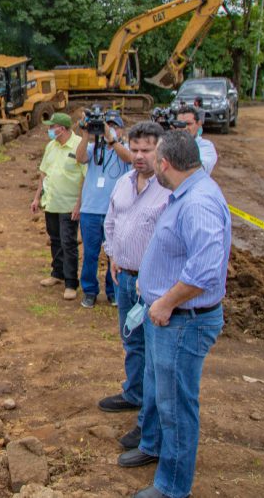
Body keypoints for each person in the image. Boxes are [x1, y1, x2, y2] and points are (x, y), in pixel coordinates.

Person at [117, 130, 230, 498]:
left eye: (154, 159)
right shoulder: (186, 193)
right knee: (158, 389)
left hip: (183, 321)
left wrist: (165, 302)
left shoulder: (198, 202)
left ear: (165, 164)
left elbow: (206, 271)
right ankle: (152, 446)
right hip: (167, 318)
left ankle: (171, 487)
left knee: (177, 406)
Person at [97, 122, 171, 450]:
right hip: (124, 276)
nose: (139, 156)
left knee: (156, 357)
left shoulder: (169, 191)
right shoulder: (124, 182)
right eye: (135, 148)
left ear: (161, 152)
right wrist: (113, 254)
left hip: (153, 286)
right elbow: (111, 220)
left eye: (146, 150)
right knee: (131, 341)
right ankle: (134, 393)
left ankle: (148, 425)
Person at [75, 109, 133, 308]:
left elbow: (129, 159)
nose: (109, 129)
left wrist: (112, 140)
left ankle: (113, 291)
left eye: (114, 126)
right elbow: (79, 158)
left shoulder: (124, 148)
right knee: (90, 253)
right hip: (91, 210)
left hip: (115, 211)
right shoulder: (93, 147)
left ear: (121, 130)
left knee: (114, 254)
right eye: (107, 126)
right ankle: (89, 291)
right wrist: (85, 134)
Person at [31, 112, 86, 300]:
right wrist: (37, 198)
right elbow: (44, 173)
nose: (49, 130)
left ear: (61, 129)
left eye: (51, 127)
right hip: (51, 202)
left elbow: (85, 178)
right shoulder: (51, 146)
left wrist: (79, 204)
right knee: (54, 239)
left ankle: (71, 283)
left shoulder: (80, 145)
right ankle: (57, 273)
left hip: (69, 204)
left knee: (68, 242)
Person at [175, 106, 217, 174]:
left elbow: (198, 171)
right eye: (180, 124)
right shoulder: (169, 143)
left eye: (188, 124)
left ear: (199, 124)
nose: (184, 128)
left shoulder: (206, 146)